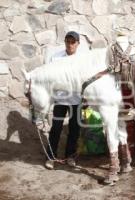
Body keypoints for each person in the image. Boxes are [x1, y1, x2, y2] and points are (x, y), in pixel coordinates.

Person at [45, 31, 81, 169]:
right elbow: (49, 76)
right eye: (68, 41)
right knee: (56, 128)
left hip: (76, 99)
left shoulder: (82, 59)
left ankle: (70, 157)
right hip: (60, 99)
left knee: (74, 129)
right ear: (65, 42)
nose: (70, 44)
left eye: (73, 42)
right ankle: (50, 157)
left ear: (78, 44)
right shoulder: (56, 58)